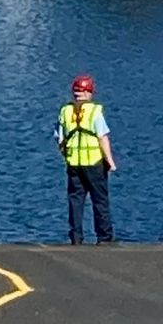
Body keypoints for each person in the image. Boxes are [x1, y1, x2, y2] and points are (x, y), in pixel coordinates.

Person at [57, 73, 117, 244]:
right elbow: (102, 138)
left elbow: (60, 139)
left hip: (74, 163)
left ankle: (76, 237)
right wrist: (111, 162)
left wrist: (66, 155)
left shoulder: (65, 111)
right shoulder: (94, 112)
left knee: (75, 200)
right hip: (94, 163)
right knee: (100, 200)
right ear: (89, 92)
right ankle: (104, 237)